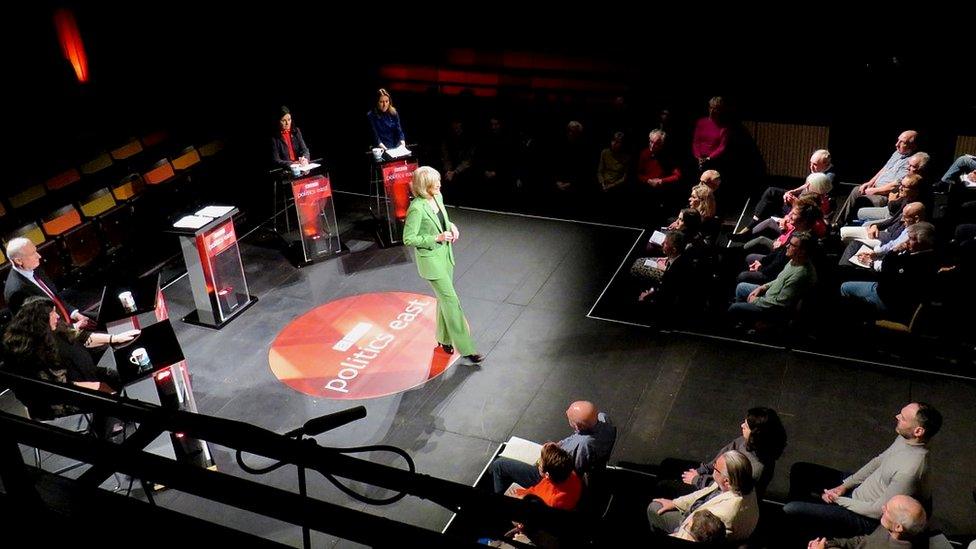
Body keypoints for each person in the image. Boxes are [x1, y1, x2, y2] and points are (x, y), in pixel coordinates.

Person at [784, 402, 941, 540]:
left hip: (864, 515)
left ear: (918, 432)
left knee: (790, 510)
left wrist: (837, 500)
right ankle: (804, 525)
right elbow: (877, 462)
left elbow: (877, 511)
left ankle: (804, 528)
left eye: (903, 417)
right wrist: (844, 486)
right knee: (801, 470)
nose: (897, 416)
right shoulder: (905, 438)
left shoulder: (911, 470)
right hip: (859, 491)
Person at [2, 297, 139, 433]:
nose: (56, 316)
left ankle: (113, 418)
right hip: (58, 399)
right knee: (105, 395)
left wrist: (114, 338)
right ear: (40, 321)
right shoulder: (33, 351)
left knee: (118, 377)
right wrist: (99, 388)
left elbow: (82, 337)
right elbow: (61, 386)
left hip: (82, 376)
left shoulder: (54, 327)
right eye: (52, 314)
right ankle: (105, 429)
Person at [401, 167, 482, 363]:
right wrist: (435, 237)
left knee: (443, 300)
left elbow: (442, 220)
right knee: (451, 301)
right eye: (434, 182)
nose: (439, 184)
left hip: (446, 255)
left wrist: (451, 226)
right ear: (424, 185)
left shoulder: (437, 197)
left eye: (438, 181)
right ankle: (467, 348)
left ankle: (443, 339)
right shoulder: (417, 208)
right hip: (431, 262)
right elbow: (408, 238)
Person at [659, 407, 787, 499]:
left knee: (664, 486)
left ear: (756, 434)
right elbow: (719, 458)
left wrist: (697, 480)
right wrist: (700, 471)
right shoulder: (745, 441)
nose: (742, 425)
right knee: (668, 465)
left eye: (746, 426)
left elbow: (728, 490)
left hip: (714, 490)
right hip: (714, 476)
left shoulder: (756, 469)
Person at [490, 400, 616, 494]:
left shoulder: (582, 446)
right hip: (594, 470)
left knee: (499, 465)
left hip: (559, 479)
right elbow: (578, 436)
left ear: (578, 426)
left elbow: (566, 473)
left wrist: (546, 461)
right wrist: (560, 445)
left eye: (571, 420)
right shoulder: (603, 419)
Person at [649, 450, 760, 542]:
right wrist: (675, 503)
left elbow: (696, 534)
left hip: (691, 526)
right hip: (695, 513)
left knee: (654, 508)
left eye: (715, 468)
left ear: (726, 481)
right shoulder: (739, 481)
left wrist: (678, 534)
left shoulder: (722, 516)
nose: (713, 466)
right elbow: (705, 492)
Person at [5, 237, 94, 329]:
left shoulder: (33, 267)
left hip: (67, 320)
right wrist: (74, 327)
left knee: (105, 316)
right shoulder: (17, 291)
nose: (39, 256)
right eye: (32, 254)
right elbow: (39, 326)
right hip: (56, 336)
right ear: (18, 261)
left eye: (36, 251)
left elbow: (55, 297)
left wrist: (74, 314)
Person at [807, 495, 928, 549]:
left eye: (887, 510)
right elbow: (863, 541)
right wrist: (829, 543)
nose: (882, 508)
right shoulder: (888, 528)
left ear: (898, 527)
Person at [271, 106, 310, 170]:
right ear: (277, 121)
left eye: (289, 120)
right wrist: (292, 164)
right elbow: (276, 160)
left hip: (301, 167)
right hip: (286, 170)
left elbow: (305, 150)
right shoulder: (274, 138)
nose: (287, 123)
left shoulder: (296, 131)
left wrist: (305, 158)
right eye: (283, 120)